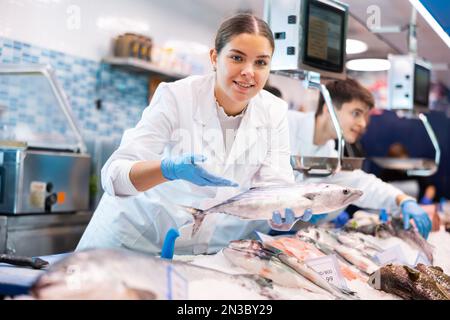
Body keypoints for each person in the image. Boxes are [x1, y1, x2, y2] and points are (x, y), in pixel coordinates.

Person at [77, 14, 310, 255]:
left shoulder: (274, 111)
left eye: (261, 62)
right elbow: (114, 177)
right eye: (237, 58)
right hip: (131, 241)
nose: (249, 72)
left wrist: (283, 213)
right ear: (214, 58)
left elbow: (275, 187)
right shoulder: (176, 96)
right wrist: (167, 170)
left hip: (195, 251)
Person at [287, 78, 432, 239]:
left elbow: (360, 183)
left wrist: (402, 200)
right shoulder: (284, 124)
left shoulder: (328, 151)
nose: (363, 123)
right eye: (356, 113)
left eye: (365, 116)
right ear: (328, 109)